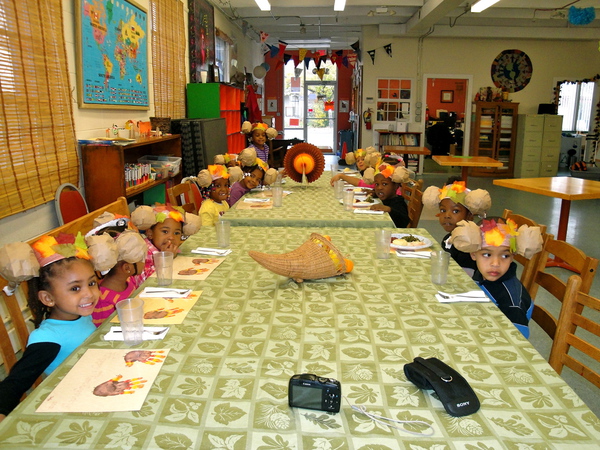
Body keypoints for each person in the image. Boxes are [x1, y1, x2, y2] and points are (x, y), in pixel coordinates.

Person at [0, 234, 100, 421]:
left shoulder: (78, 313)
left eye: (92, 283)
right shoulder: (48, 338)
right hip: (74, 406)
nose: (89, 293)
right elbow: (16, 382)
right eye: (75, 288)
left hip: (96, 382)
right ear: (48, 298)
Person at [449, 217, 543, 338]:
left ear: (512, 256)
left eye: (505, 255)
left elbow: (517, 343)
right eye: (487, 254)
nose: (495, 263)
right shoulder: (483, 274)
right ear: (473, 254)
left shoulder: (512, 304)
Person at [85, 216, 148, 327]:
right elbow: (103, 334)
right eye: (141, 257)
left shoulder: (129, 280)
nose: (145, 260)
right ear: (127, 268)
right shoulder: (103, 302)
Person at [422, 180, 491, 276]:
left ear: (469, 216)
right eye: (443, 210)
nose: (447, 215)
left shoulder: (467, 246)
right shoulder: (448, 238)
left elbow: (465, 277)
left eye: (455, 211)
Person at [130, 204, 202, 283]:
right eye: (165, 231)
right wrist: (165, 259)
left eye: (177, 233)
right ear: (150, 233)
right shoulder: (143, 252)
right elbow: (145, 281)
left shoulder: (169, 248)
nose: (171, 237)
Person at [368, 162, 411, 228]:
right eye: (377, 184)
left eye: (384, 184)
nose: (379, 188)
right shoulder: (387, 198)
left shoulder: (398, 202)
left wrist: (389, 209)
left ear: (396, 186)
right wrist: (374, 194)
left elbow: (404, 221)